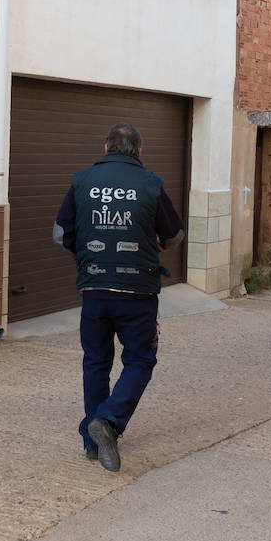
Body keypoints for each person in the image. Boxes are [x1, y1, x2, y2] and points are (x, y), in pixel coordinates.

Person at [53, 122, 184, 472]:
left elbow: (60, 233)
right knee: (140, 360)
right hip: (137, 292)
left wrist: (87, 255)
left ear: (105, 148)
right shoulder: (151, 184)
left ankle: (91, 444)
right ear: (139, 152)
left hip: (94, 290)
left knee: (95, 362)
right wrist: (153, 242)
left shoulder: (82, 181)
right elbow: (174, 236)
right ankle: (108, 421)